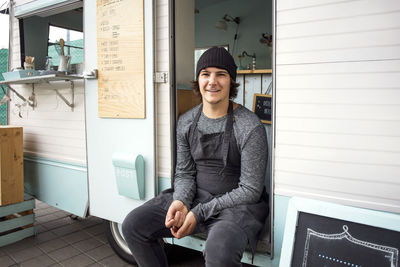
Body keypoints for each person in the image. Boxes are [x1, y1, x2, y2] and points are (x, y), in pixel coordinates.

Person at [122, 46, 269, 267]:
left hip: (235, 208)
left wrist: (199, 213)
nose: (212, 81)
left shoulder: (249, 126)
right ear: (198, 80)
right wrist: (181, 202)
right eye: (205, 74)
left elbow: (250, 189)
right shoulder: (186, 122)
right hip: (195, 197)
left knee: (219, 252)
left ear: (231, 81)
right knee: (133, 225)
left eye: (221, 74)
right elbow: (184, 172)